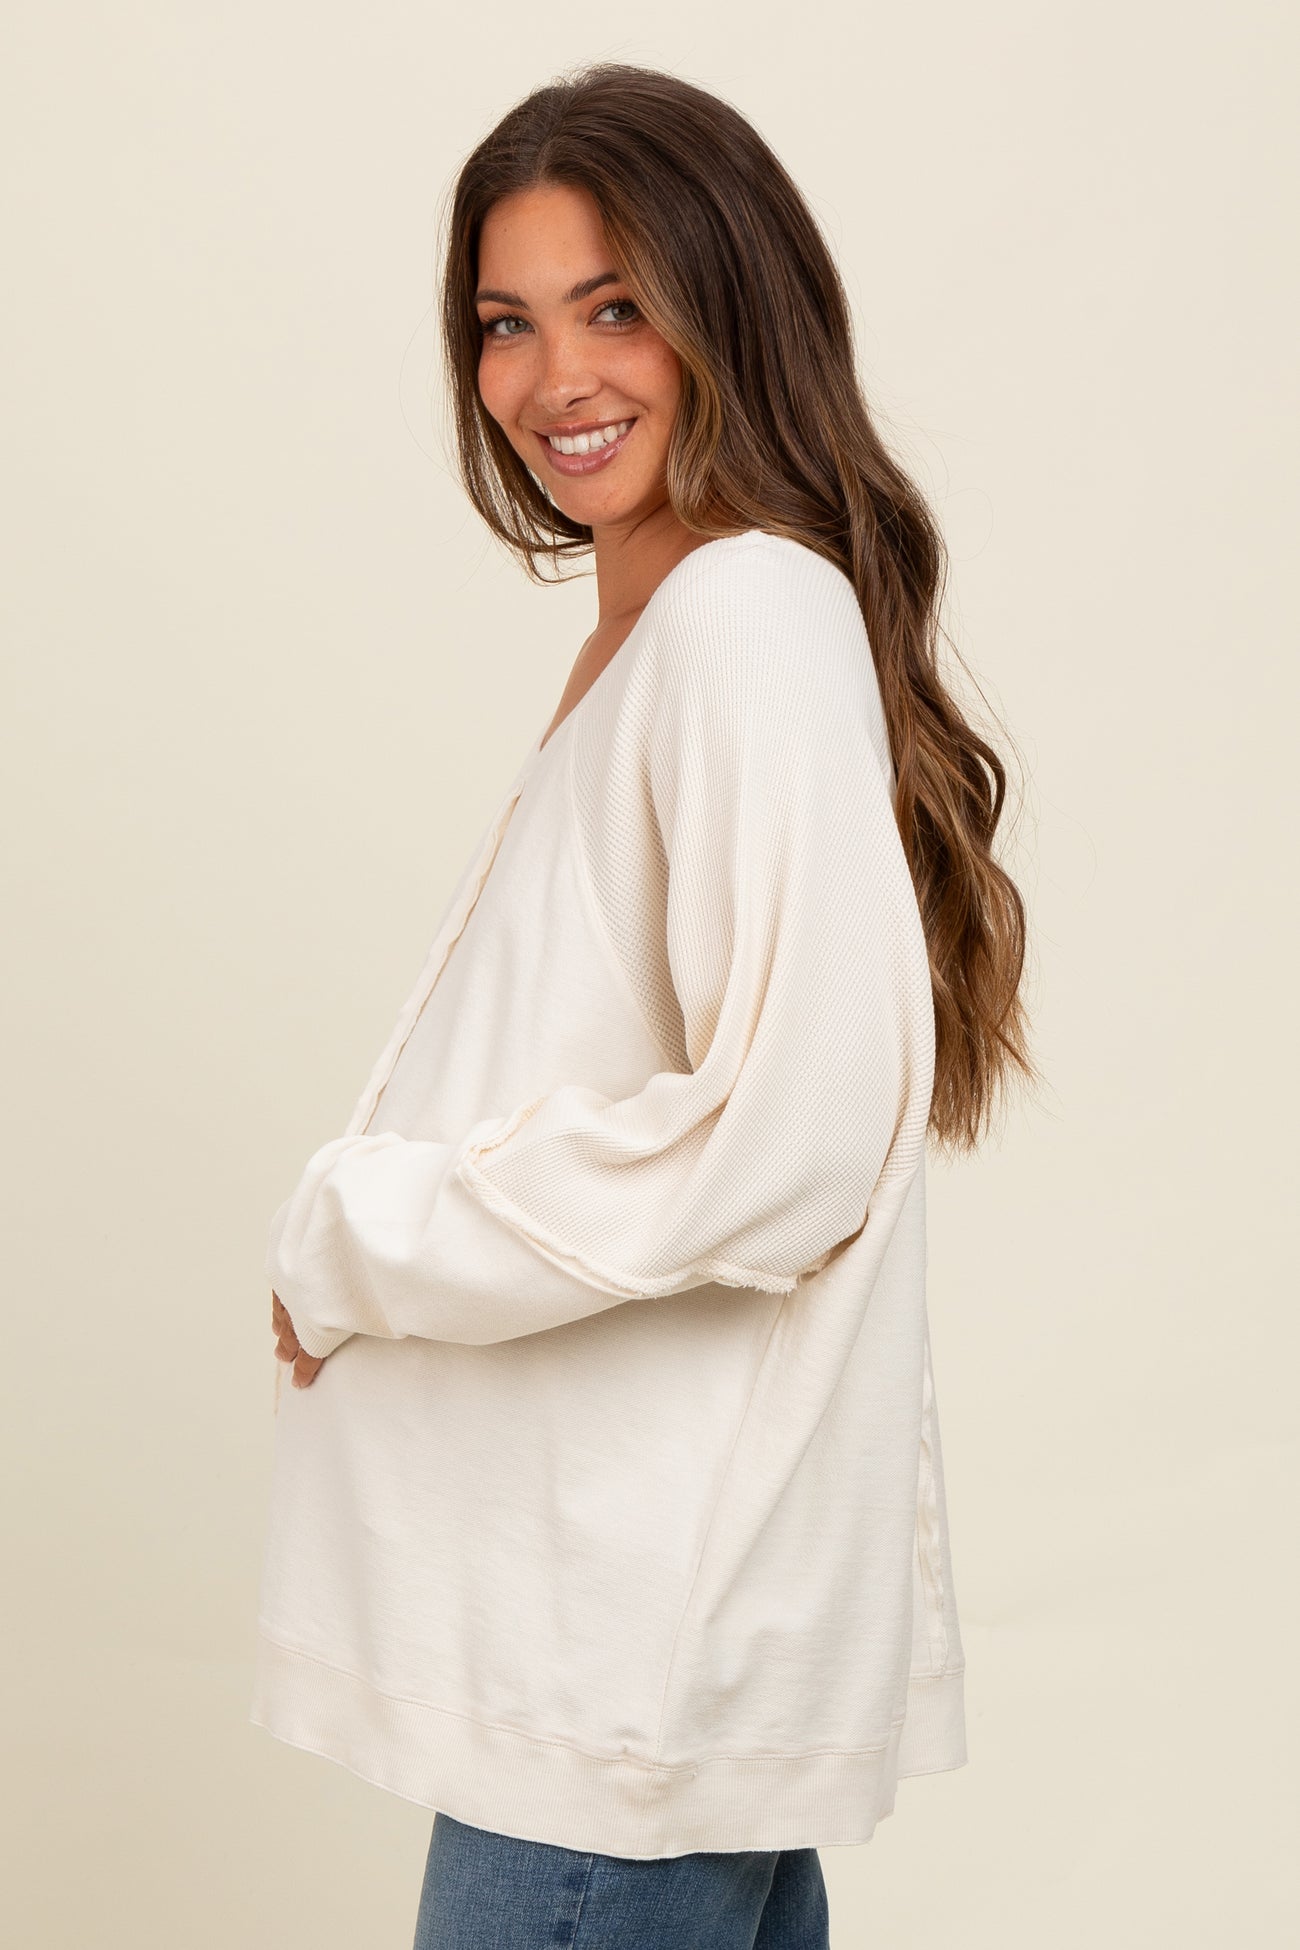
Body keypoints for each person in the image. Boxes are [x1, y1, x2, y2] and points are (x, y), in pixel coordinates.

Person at [252, 60, 1037, 1950]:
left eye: (616, 308)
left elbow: (792, 1136)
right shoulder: (665, 631)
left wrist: (360, 1239)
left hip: (614, 1696)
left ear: (729, 312)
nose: (553, 379)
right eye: (504, 323)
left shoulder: (740, 616)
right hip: (621, 1683)